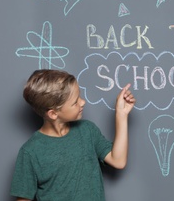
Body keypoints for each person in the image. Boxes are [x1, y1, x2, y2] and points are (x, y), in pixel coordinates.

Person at [10, 69, 136, 201]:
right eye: (75, 102)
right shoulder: (30, 152)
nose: (82, 102)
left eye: (79, 96)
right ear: (53, 114)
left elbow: (118, 161)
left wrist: (121, 115)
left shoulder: (87, 130)